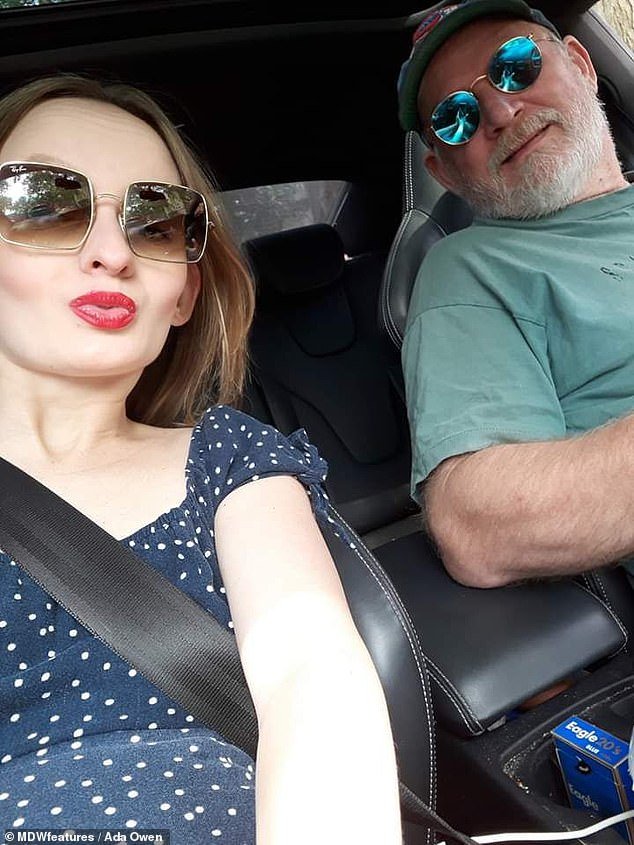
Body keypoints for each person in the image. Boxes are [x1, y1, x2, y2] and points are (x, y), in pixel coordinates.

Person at [0, 74, 402, 844]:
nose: (113, 253)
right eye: (45, 203)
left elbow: (312, 674)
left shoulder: (226, 458)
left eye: (155, 222)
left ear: (183, 292)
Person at [397, 0, 634, 589]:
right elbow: (475, 524)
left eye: (517, 66)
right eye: (456, 117)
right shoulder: (471, 268)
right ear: (444, 172)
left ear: (581, 65)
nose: (500, 112)